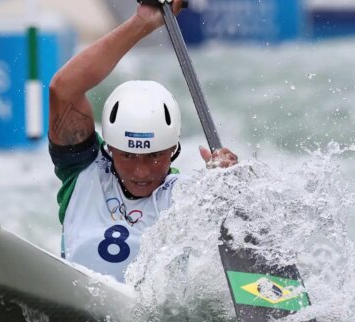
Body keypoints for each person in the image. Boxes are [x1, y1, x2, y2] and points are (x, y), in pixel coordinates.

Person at [48, 0, 238, 281]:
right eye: (128, 156)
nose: (141, 172)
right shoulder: (82, 171)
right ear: (110, 148)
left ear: (173, 149)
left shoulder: (189, 198)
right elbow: (63, 88)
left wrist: (232, 187)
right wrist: (143, 24)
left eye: (154, 156)